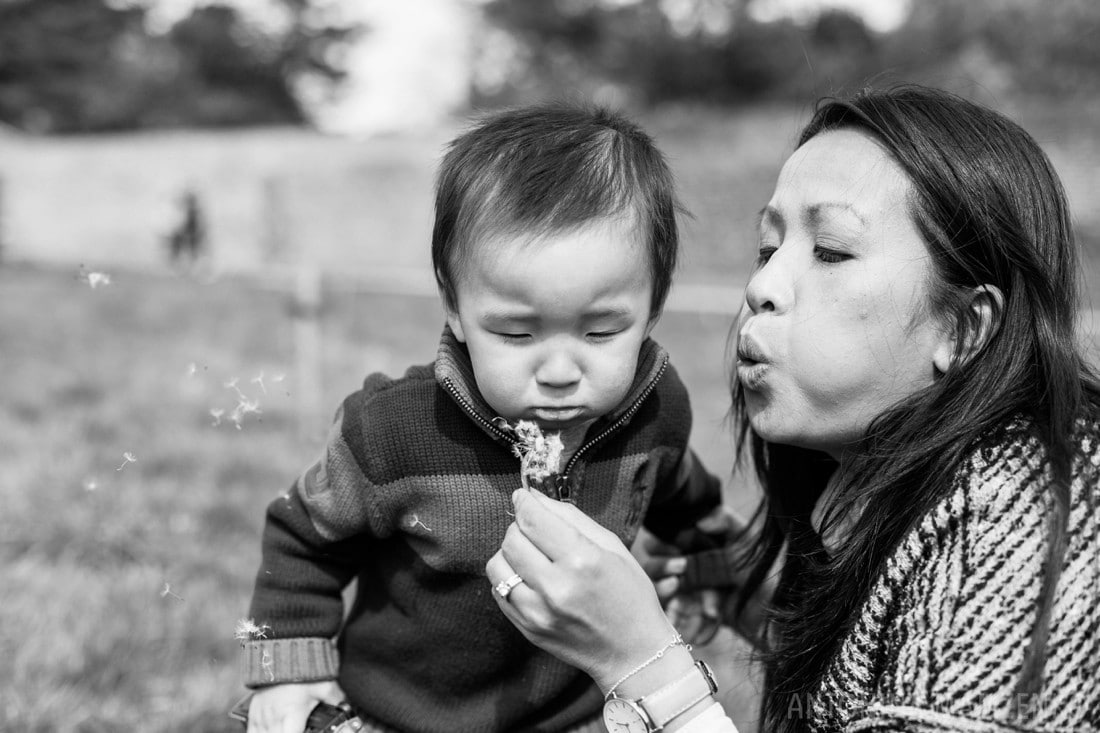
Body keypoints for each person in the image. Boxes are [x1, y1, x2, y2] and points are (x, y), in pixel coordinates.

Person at [487, 84, 1100, 733]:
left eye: (831, 250)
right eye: (767, 248)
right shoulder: (857, 500)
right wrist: (759, 618)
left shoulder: (1034, 505)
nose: (761, 286)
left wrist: (641, 660)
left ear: (965, 329)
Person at [237, 104, 730, 733]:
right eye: (516, 333)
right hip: (397, 713)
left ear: (653, 307)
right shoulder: (393, 432)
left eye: (601, 331)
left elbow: (687, 501)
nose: (558, 369)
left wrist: (712, 571)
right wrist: (291, 669)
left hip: (576, 714)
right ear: (455, 307)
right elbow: (303, 537)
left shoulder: (656, 414)